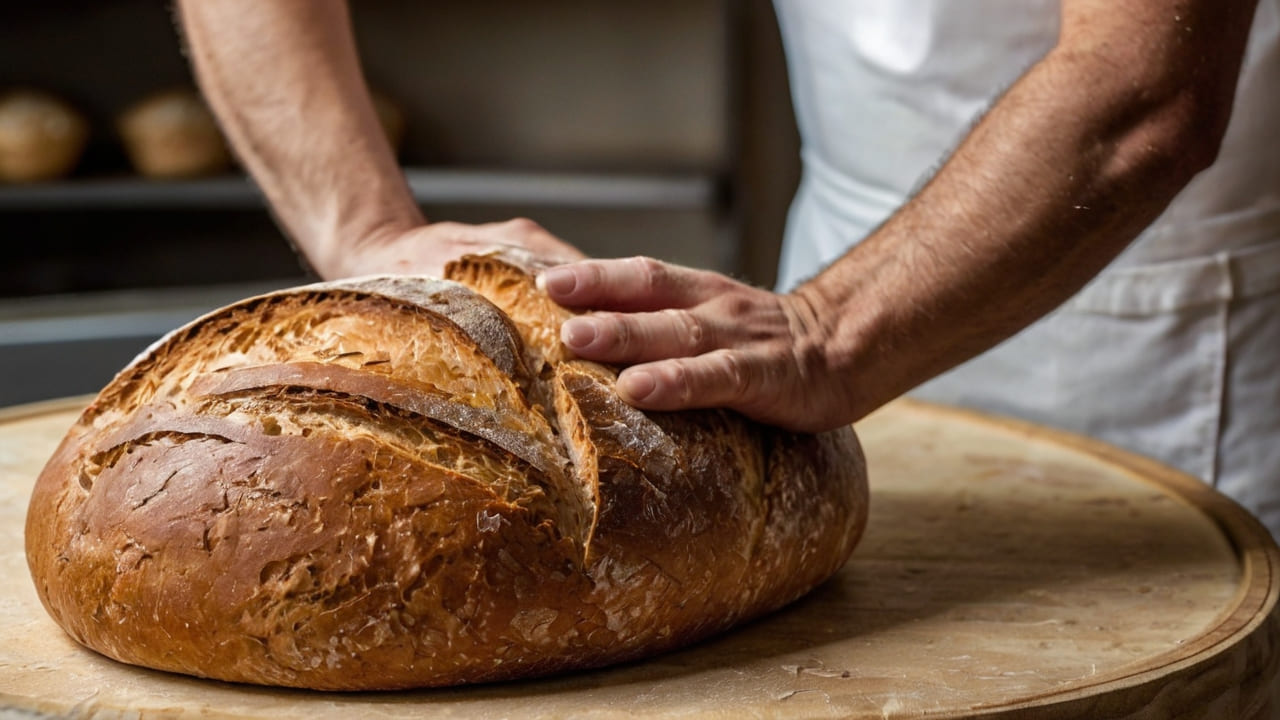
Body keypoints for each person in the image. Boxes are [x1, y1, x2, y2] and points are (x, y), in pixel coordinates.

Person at [177, 1, 1280, 534]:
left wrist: (831, 334)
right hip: (836, 263)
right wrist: (362, 231)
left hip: (1164, 320)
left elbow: (1146, 91)